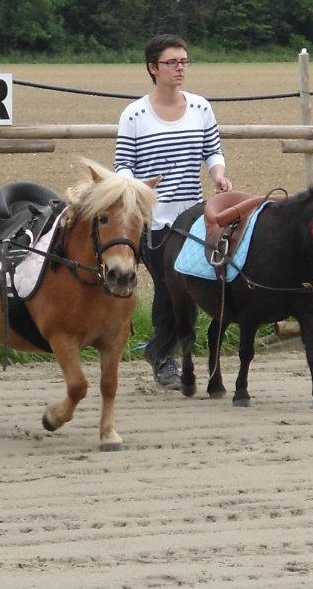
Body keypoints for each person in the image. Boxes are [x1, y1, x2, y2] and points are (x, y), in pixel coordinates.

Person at [114, 34, 232, 388]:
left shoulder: (200, 108)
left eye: (184, 61)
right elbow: (123, 165)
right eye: (172, 62)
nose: (180, 67)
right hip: (154, 222)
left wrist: (219, 175)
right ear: (153, 68)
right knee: (170, 287)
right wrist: (138, 190)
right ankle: (164, 355)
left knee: (194, 284)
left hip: (194, 218)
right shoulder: (134, 115)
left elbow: (213, 150)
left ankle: (171, 350)